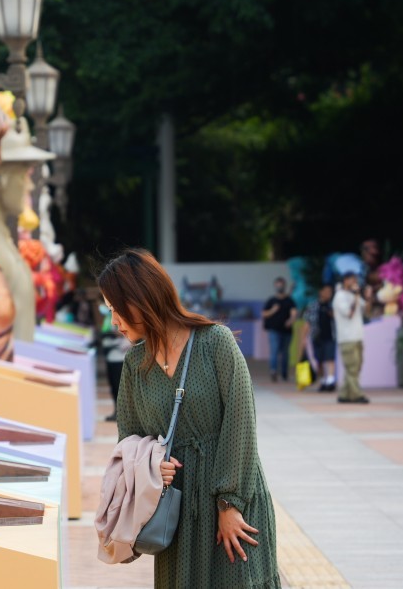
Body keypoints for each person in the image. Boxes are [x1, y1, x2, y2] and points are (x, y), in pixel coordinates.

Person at [100, 248, 279, 589]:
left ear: (141, 299)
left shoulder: (216, 343)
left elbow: (241, 425)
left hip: (230, 501)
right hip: (176, 510)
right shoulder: (134, 365)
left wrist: (230, 504)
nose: (114, 323)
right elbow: (129, 442)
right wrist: (152, 464)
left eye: (117, 310)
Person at [332, 272, 369, 404]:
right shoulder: (339, 296)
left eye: (355, 280)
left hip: (358, 335)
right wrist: (356, 296)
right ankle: (357, 394)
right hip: (347, 338)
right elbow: (349, 313)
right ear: (345, 281)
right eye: (352, 280)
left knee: (356, 366)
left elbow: (367, 310)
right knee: (352, 367)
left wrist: (367, 297)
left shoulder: (354, 296)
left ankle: (344, 394)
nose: (355, 282)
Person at [301, 284, 337, 392]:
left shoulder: (332, 306)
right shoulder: (313, 306)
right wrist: (303, 338)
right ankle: (323, 380)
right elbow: (307, 323)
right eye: (326, 291)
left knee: (330, 358)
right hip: (317, 337)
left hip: (330, 336)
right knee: (319, 361)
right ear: (321, 292)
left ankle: (330, 380)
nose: (328, 294)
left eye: (330, 292)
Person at [261, 277, 297, 382]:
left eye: (281, 284)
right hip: (274, 330)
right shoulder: (271, 301)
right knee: (274, 351)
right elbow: (264, 314)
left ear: (284, 286)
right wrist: (273, 310)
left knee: (285, 352)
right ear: (275, 286)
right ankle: (273, 371)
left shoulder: (289, 301)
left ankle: (284, 373)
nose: (279, 287)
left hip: (287, 331)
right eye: (278, 284)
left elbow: (294, 313)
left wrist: (290, 321)